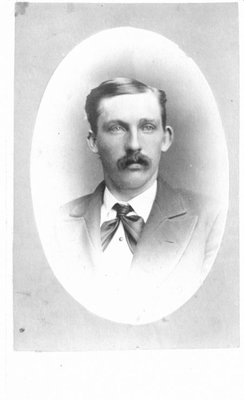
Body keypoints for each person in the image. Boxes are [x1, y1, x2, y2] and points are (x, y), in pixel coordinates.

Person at [57, 77, 225, 323]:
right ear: (94, 141)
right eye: (117, 128)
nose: (134, 145)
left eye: (147, 127)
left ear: (165, 138)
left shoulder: (213, 219)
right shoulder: (57, 223)